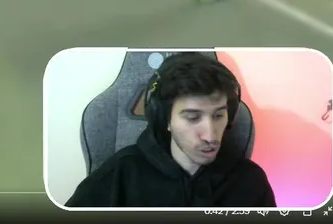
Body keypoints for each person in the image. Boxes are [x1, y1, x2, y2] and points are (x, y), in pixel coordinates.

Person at [65, 53, 275, 207]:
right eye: (193, 118)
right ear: (165, 119)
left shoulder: (250, 182)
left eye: (218, 115)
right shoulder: (119, 176)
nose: (210, 135)